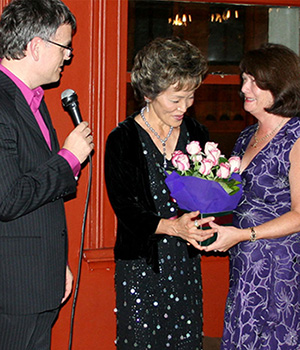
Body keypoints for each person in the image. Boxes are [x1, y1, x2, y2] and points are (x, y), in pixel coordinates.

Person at [105, 36, 217, 350]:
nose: (185, 107)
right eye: (176, 98)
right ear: (149, 92)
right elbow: (125, 208)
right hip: (141, 266)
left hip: (184, 263)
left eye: (191, 96)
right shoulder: (123, 138)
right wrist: (172, 227)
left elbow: (205, 193)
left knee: (186, 341)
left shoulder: (197, 133)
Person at [0, 0, 94, 349]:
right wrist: (69, 157)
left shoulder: (33, 101)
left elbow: (41, 197)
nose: (68, 56)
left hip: (39, 280)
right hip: (12, 291)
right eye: (64, 46)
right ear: (36, 47)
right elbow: (8, 199)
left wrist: (55, 265)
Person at [202, 43, 300, 349]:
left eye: (254, 81)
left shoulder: (296, 136)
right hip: (246, 264)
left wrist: (244, 234)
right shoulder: (247, 135)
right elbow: (235, 197)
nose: (244, 88)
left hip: (281, 269)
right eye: (244, 79)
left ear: (279, 83)